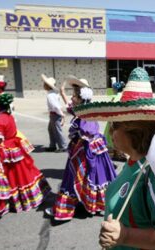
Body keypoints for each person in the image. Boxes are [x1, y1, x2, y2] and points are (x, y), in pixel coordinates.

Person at [73, 67, 155, 249]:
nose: (109, 131)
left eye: (115, 124)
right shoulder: (133, 162)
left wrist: (125, 236)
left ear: (134, 130)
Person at [44, 76, 117, 220]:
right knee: (92, 178)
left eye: (74, 96)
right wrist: (63, 92)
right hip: (87, 149)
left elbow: (87, 134)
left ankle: (67, 207)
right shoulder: (83, 110)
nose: (72, 98)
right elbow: (70, 108)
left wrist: (79, 142)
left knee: (79, 178)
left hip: (85, 151)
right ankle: (92, 204)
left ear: (81, 97)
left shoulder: (86, 115)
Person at [0, 93, 51, 218]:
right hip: (14, 150)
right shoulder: (7, 115)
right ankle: (23, 200)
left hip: (2, 153)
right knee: (19, 176)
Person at [42, 74, 67, 152]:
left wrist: (61, 114)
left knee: (56, 130)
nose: (43, 85)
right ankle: (53, 145)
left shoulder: (50, 95)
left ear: (47, 86)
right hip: (55, 114)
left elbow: (55, 106)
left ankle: (63, 146)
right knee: (51, 129)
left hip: (55, 114)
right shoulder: (54, 93)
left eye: (44, 84)